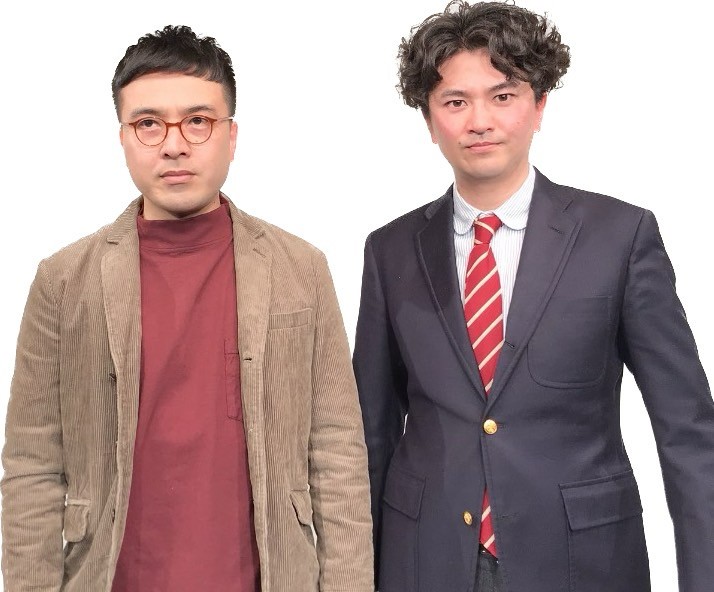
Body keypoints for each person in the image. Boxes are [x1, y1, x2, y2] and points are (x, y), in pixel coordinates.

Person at [352, 2, 714, 591]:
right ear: (429, 118)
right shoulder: (391, 250)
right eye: (455, 102)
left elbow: (688, 432)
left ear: (539, 105)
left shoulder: (620, 236)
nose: (480, 121)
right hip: (428, 559)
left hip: (580, 560)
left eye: (503, 96)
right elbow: (372, 434)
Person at [1, 25, 373, 592]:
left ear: (231, 134)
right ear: (123, 137)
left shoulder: (300, 269)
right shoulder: (64, 281)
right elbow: (31, 464)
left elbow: (338, 454)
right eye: (148, 124)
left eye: (198, 121)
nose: (173, 145)